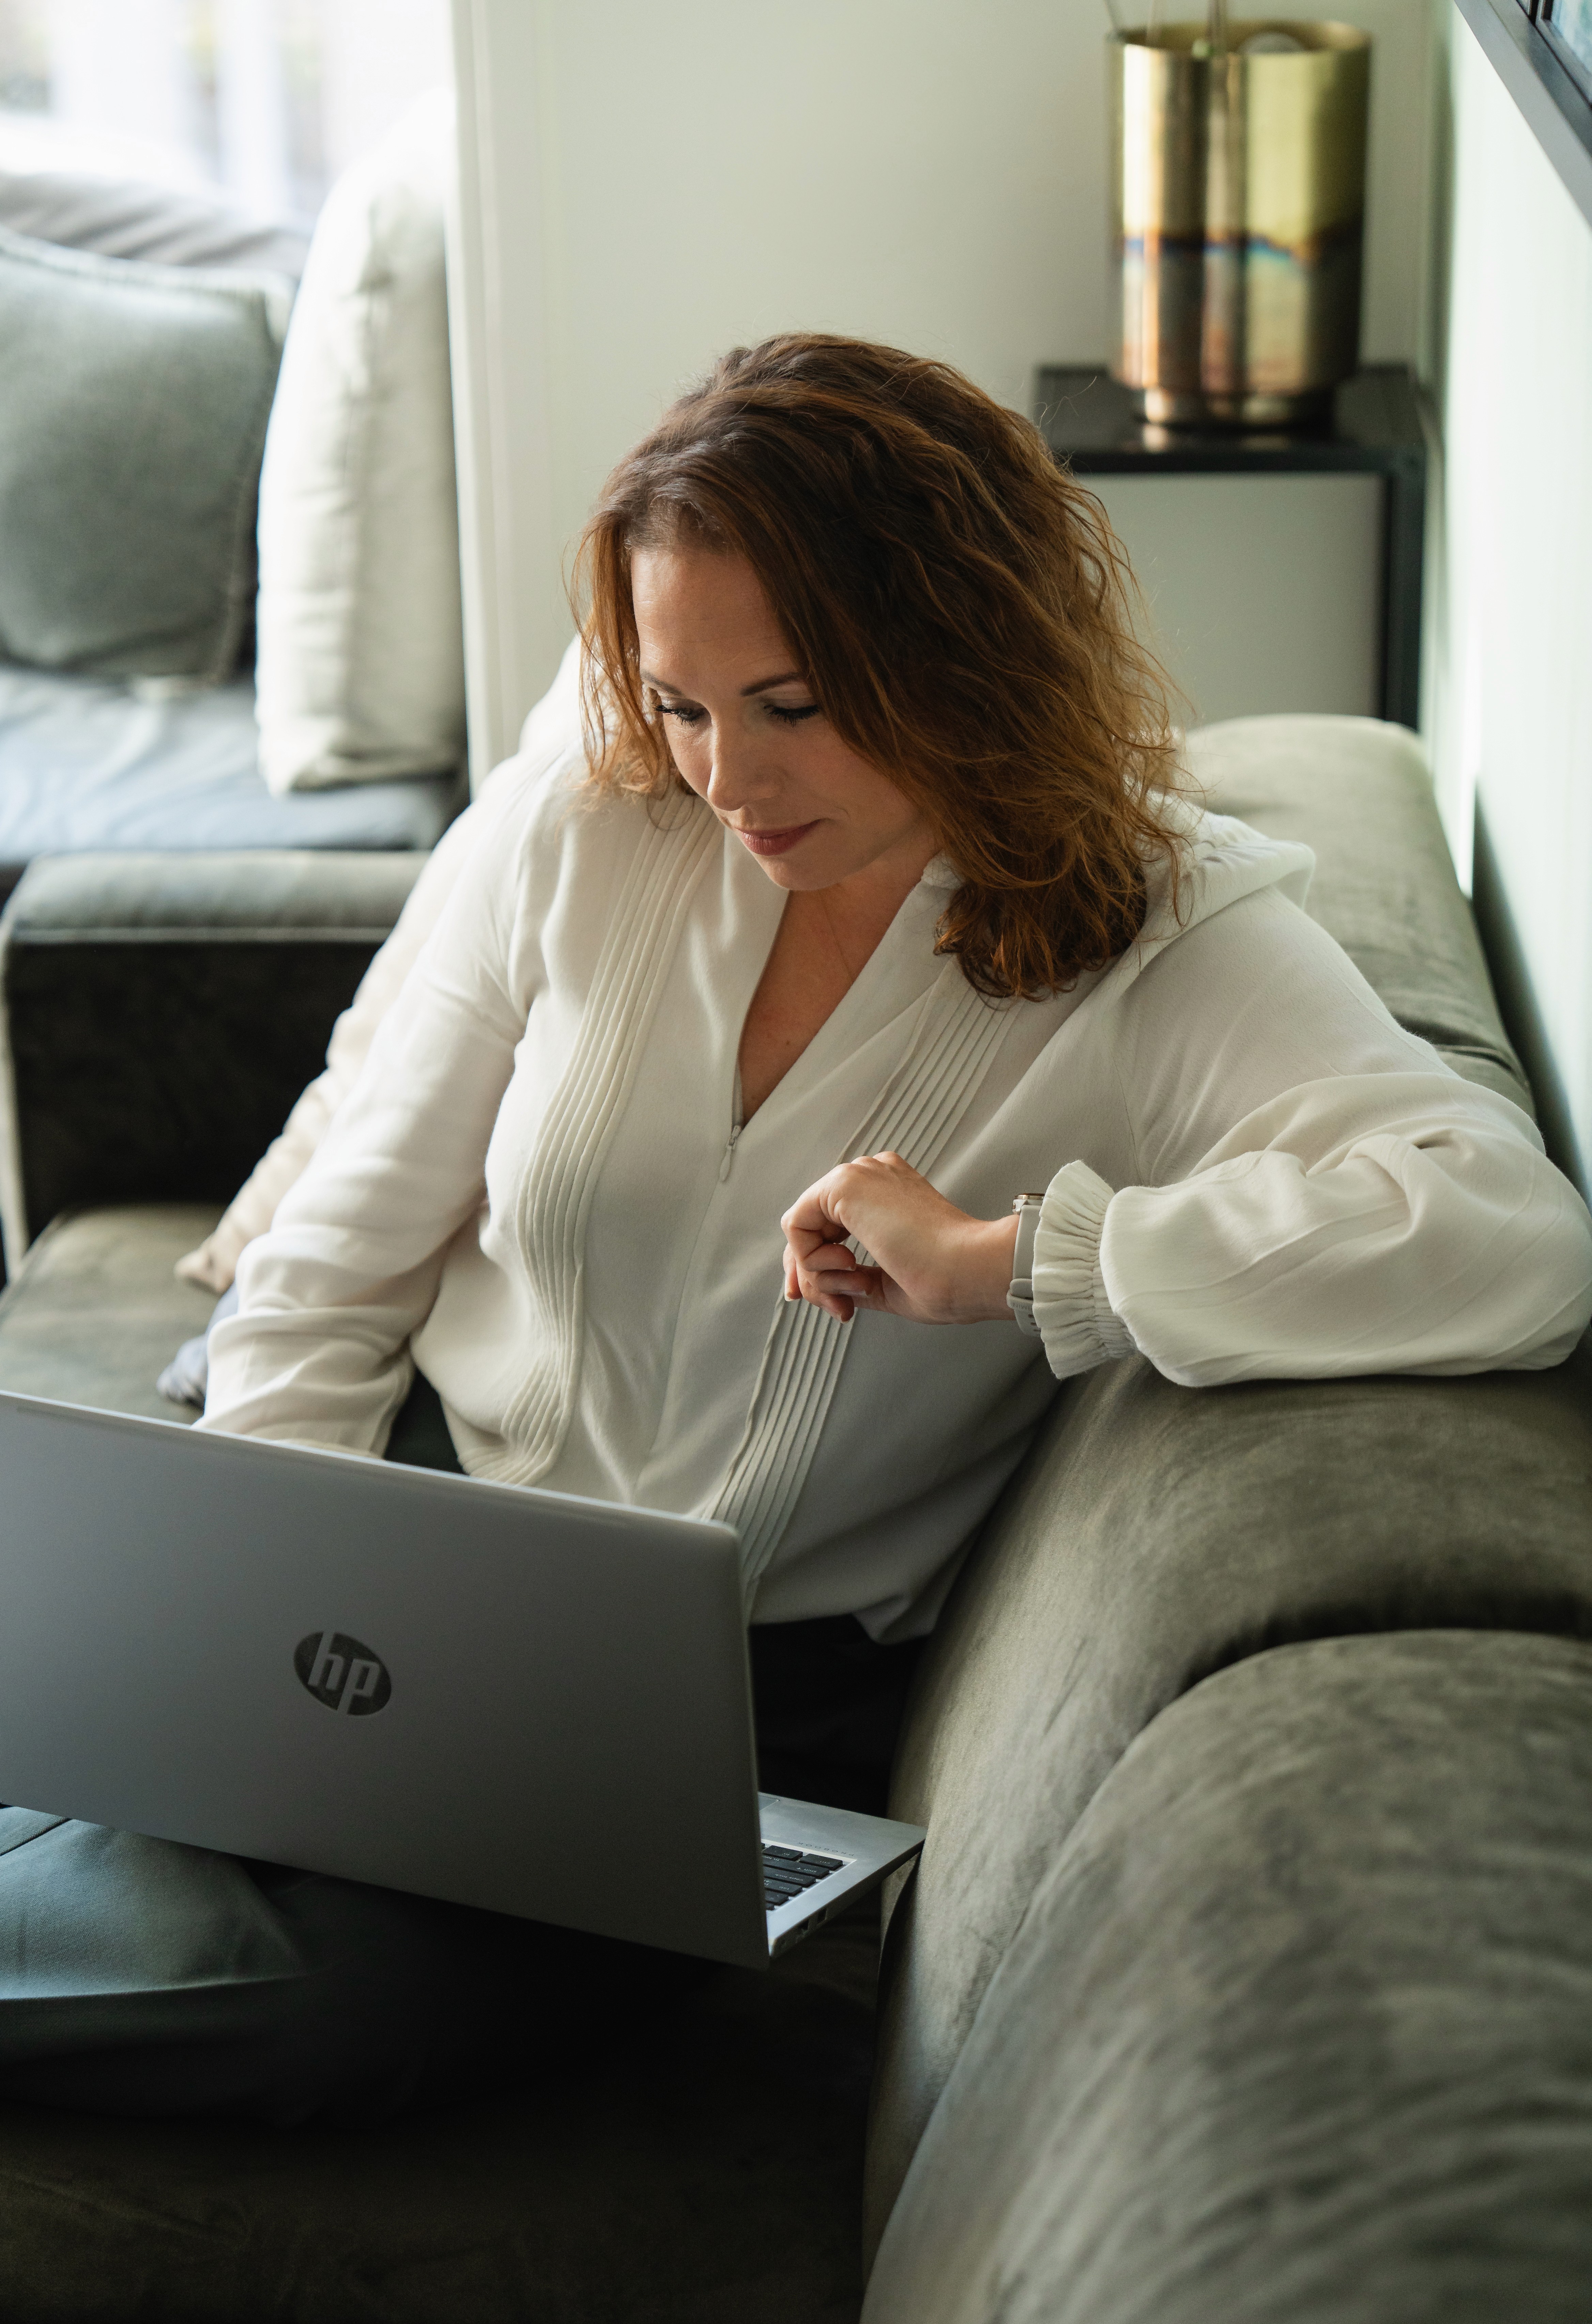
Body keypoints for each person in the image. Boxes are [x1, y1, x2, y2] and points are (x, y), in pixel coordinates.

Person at [2, 334, 1589, 2125]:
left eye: (794, 703)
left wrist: (1018, 1264)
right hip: (417, 1555)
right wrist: (261, 1622)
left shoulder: (1164, 943)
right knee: (117, 1767)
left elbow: (1508, 1234)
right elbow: (337, 1265)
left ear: (965, 651)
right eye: (683, 704)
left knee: (346, 2009)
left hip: (736, 1704)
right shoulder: (591, 820)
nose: (725, 780)